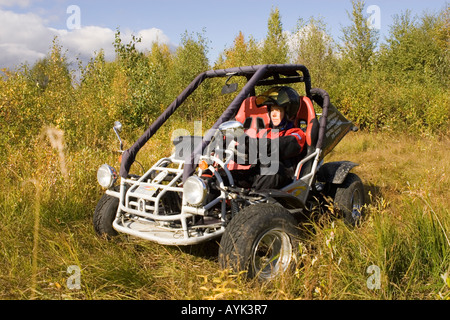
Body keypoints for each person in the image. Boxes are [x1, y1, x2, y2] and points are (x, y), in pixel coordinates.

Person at [233, 86, 306, 190]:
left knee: (272, 166)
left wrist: (249, 141)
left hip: (283, 178)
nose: (274, 114)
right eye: (272, 110)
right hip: (259, 175)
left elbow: (277, 147)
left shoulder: (297, 134)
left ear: (288, 113)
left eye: (278, 110)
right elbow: (247, 159)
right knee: (222, 177)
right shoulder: (264, 133)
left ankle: (254, 201)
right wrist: (235, 151)